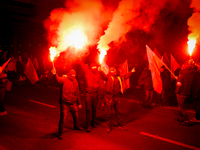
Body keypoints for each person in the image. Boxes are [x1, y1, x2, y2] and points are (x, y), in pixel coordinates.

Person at [100, 66, 135, 133]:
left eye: (115, 70)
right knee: (109, 113)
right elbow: (102, 75)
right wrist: (100, 71)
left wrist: (131, 72)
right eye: (113, 70)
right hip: (109, 97)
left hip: (116, 97)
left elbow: (125, 76)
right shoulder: (108, 77)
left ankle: (120, 124)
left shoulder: (118, 78)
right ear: (110, 72)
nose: (115, 71)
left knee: (118, 112)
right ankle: (109, 126)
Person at [52, 68, 83, 139]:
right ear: (69, 75)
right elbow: (57, 79)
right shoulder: (64, 79)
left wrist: (79, 103)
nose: (73, 77)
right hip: (65, 103)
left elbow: (77, 93)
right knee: (62, 118)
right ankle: (60, 133)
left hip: (73, 103)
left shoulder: (75, 81)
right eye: (72, 75)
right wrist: (54, 74)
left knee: (76, 115)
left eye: (74, 75)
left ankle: (76, 126)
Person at [79, 62, 101, 132]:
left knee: (94, 109)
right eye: (93, 67)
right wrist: (80, 57)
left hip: (95, 94)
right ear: (91, 67)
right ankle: (88, 125)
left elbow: (101, 82)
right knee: (88, 110)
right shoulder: (87, 72)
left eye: (95, 67)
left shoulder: (98, 73)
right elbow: (82, 64)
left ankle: (93, 122)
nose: (94, 68)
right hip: (88, 94)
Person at [175, 60, 196, 126]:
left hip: (181, 92)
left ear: (185, 67)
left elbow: (179, 84)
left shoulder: (182, 74)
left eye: (182, 66)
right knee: (180, 105)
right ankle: (180, 117)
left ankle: (186, 120)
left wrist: (176, 91)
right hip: (186, 92)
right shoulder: (191, 74)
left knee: (181, 107)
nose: (181, 67)